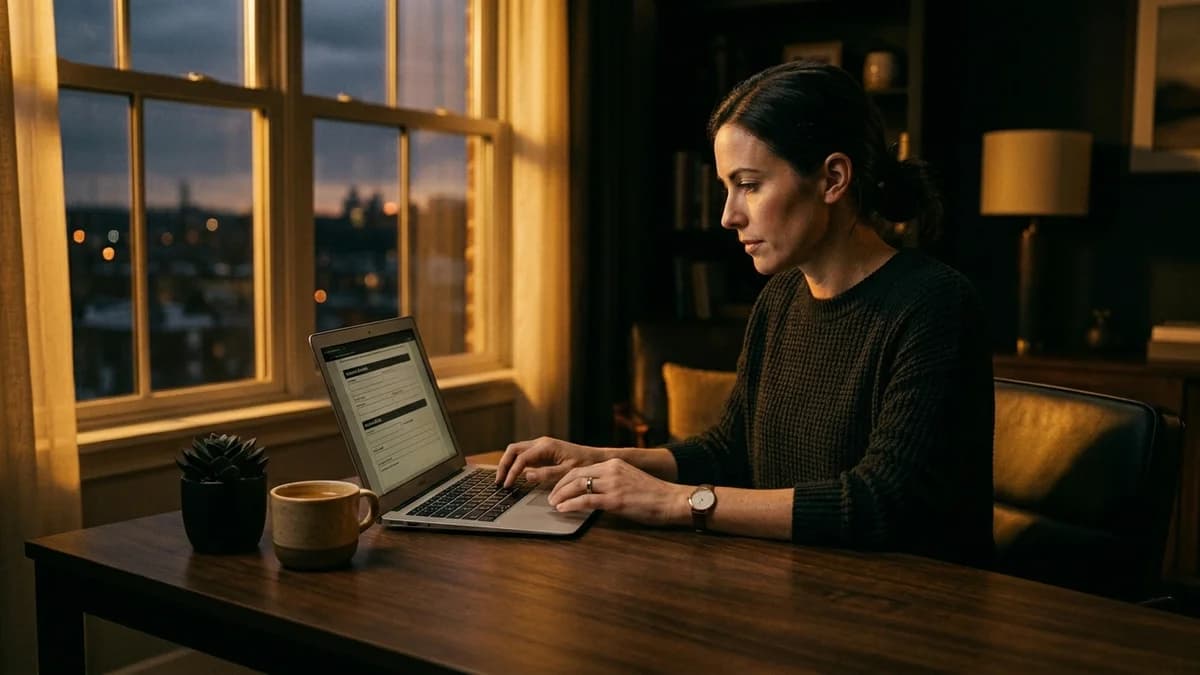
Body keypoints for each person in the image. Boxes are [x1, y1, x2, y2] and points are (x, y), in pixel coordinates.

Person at [495, 60, 994, 566]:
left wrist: (671, 501)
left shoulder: (935, 304)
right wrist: (603, 459)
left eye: (750, 184)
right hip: (800, 585)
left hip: (918, 612)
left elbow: (878, 504)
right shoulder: (781, 297)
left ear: (833, 178)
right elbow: (731, 450)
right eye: (726, 188)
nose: (728, 215)